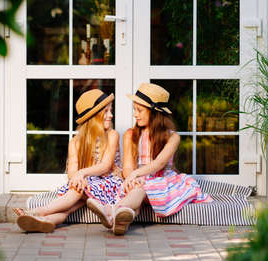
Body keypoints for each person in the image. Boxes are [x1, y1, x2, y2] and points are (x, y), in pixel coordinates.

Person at [14, 89, 123, 233]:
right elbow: (72, 171)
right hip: (87, 183)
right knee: (70, 205)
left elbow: (105, 166)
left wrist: (81, 174)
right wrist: (77, 177)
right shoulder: (75, 142)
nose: (111, 115)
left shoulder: (112, 135)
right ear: (93, 117)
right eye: (106, 111)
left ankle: (37, 212)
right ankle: (47, 221)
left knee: (77, 190)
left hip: (108, 183)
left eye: (111, 110)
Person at [112, 83, 212, 235]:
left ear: (154, 112)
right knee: (136, 193)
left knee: (141, 189)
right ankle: (121, 220)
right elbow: (127, 167)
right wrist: (131, 177)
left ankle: (112, 211)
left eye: (139, 110)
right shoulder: (130, 134)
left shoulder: (173, 137)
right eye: (134, 110)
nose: (135, 114)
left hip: (161, 182)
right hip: (136, 179)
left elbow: (159, 163)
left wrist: (136, 175)